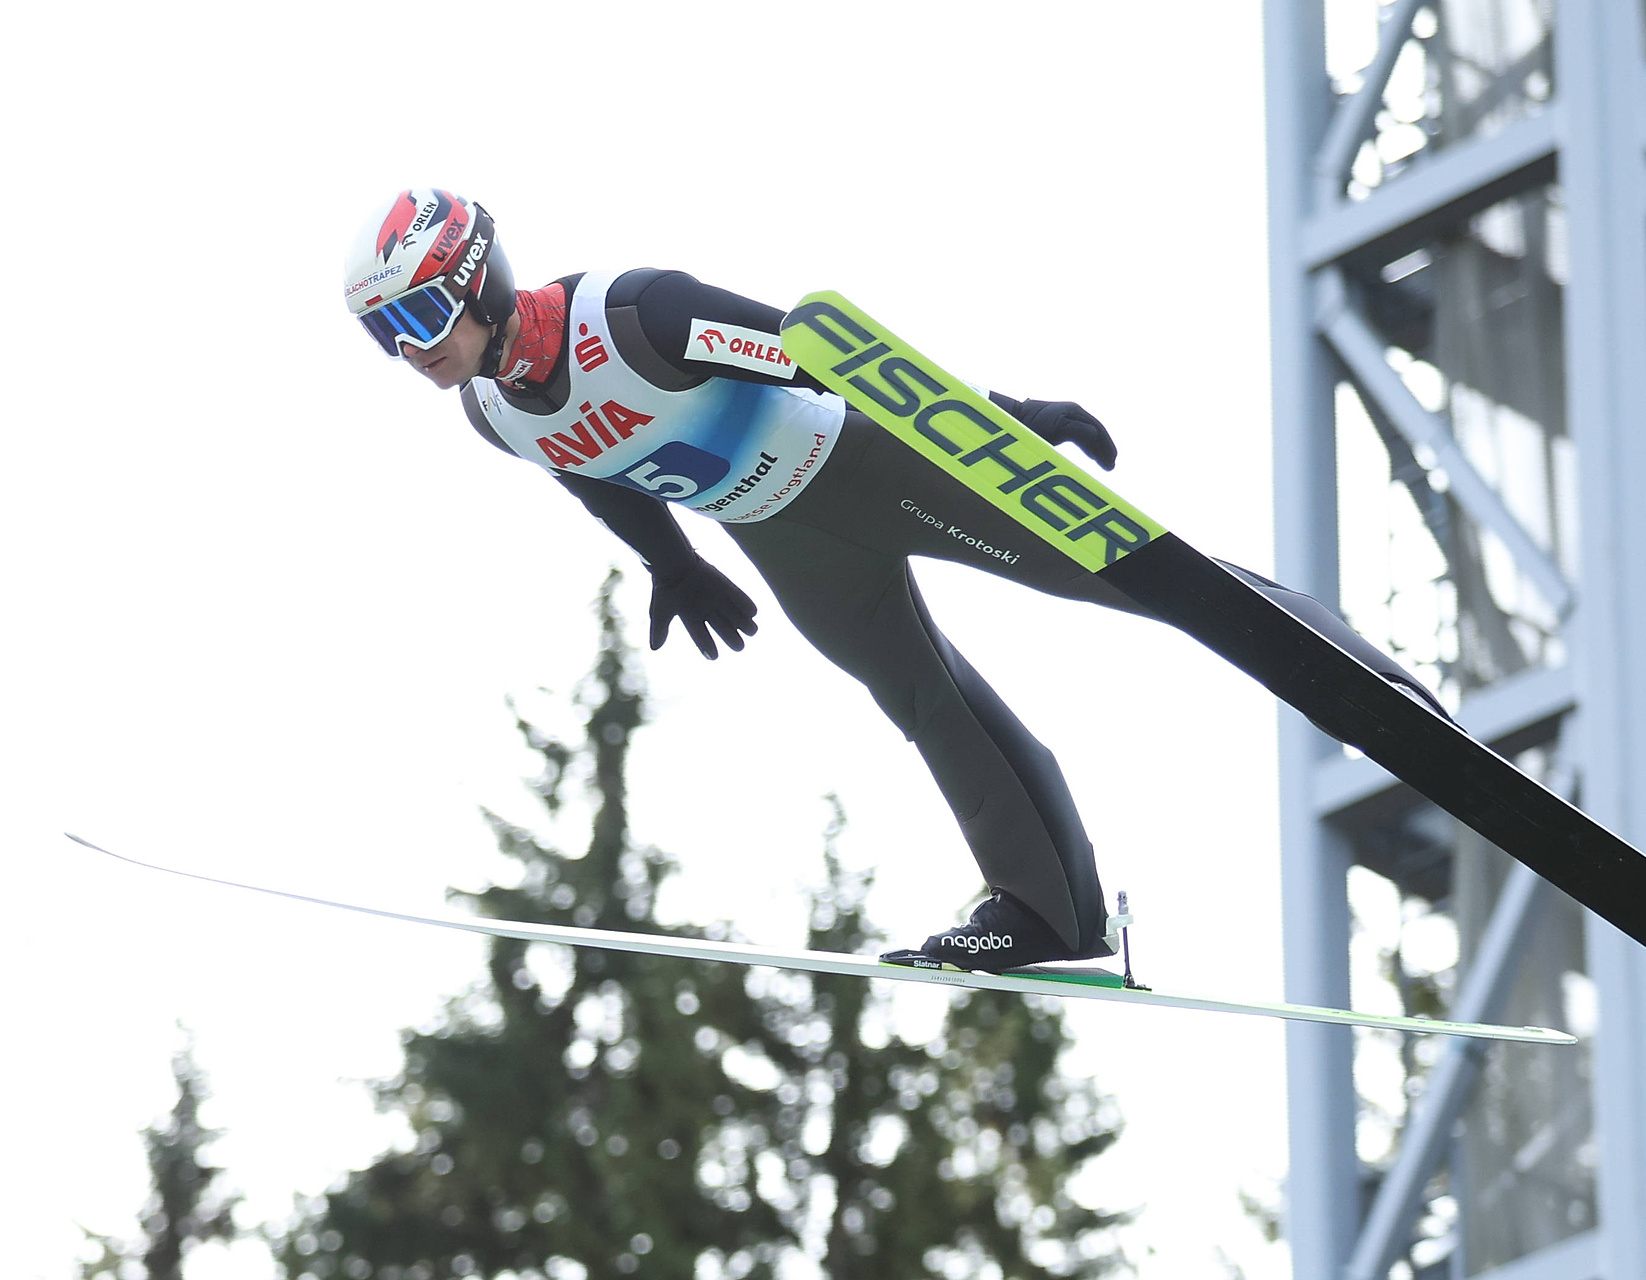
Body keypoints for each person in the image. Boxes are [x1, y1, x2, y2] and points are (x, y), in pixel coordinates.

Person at [343, 188, 1443, 973]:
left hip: (873, 462)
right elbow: (589, 471)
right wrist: (672, 560)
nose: (414, 350)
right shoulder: (491, 415)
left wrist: (1005, 420)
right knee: (922, 699)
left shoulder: (634, 314)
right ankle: (1045, 910)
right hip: (785, 539)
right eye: (389, 334)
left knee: (1119, 572)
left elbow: (828, 351)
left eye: (423, 315)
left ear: (478, 277)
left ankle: (1360, 677)